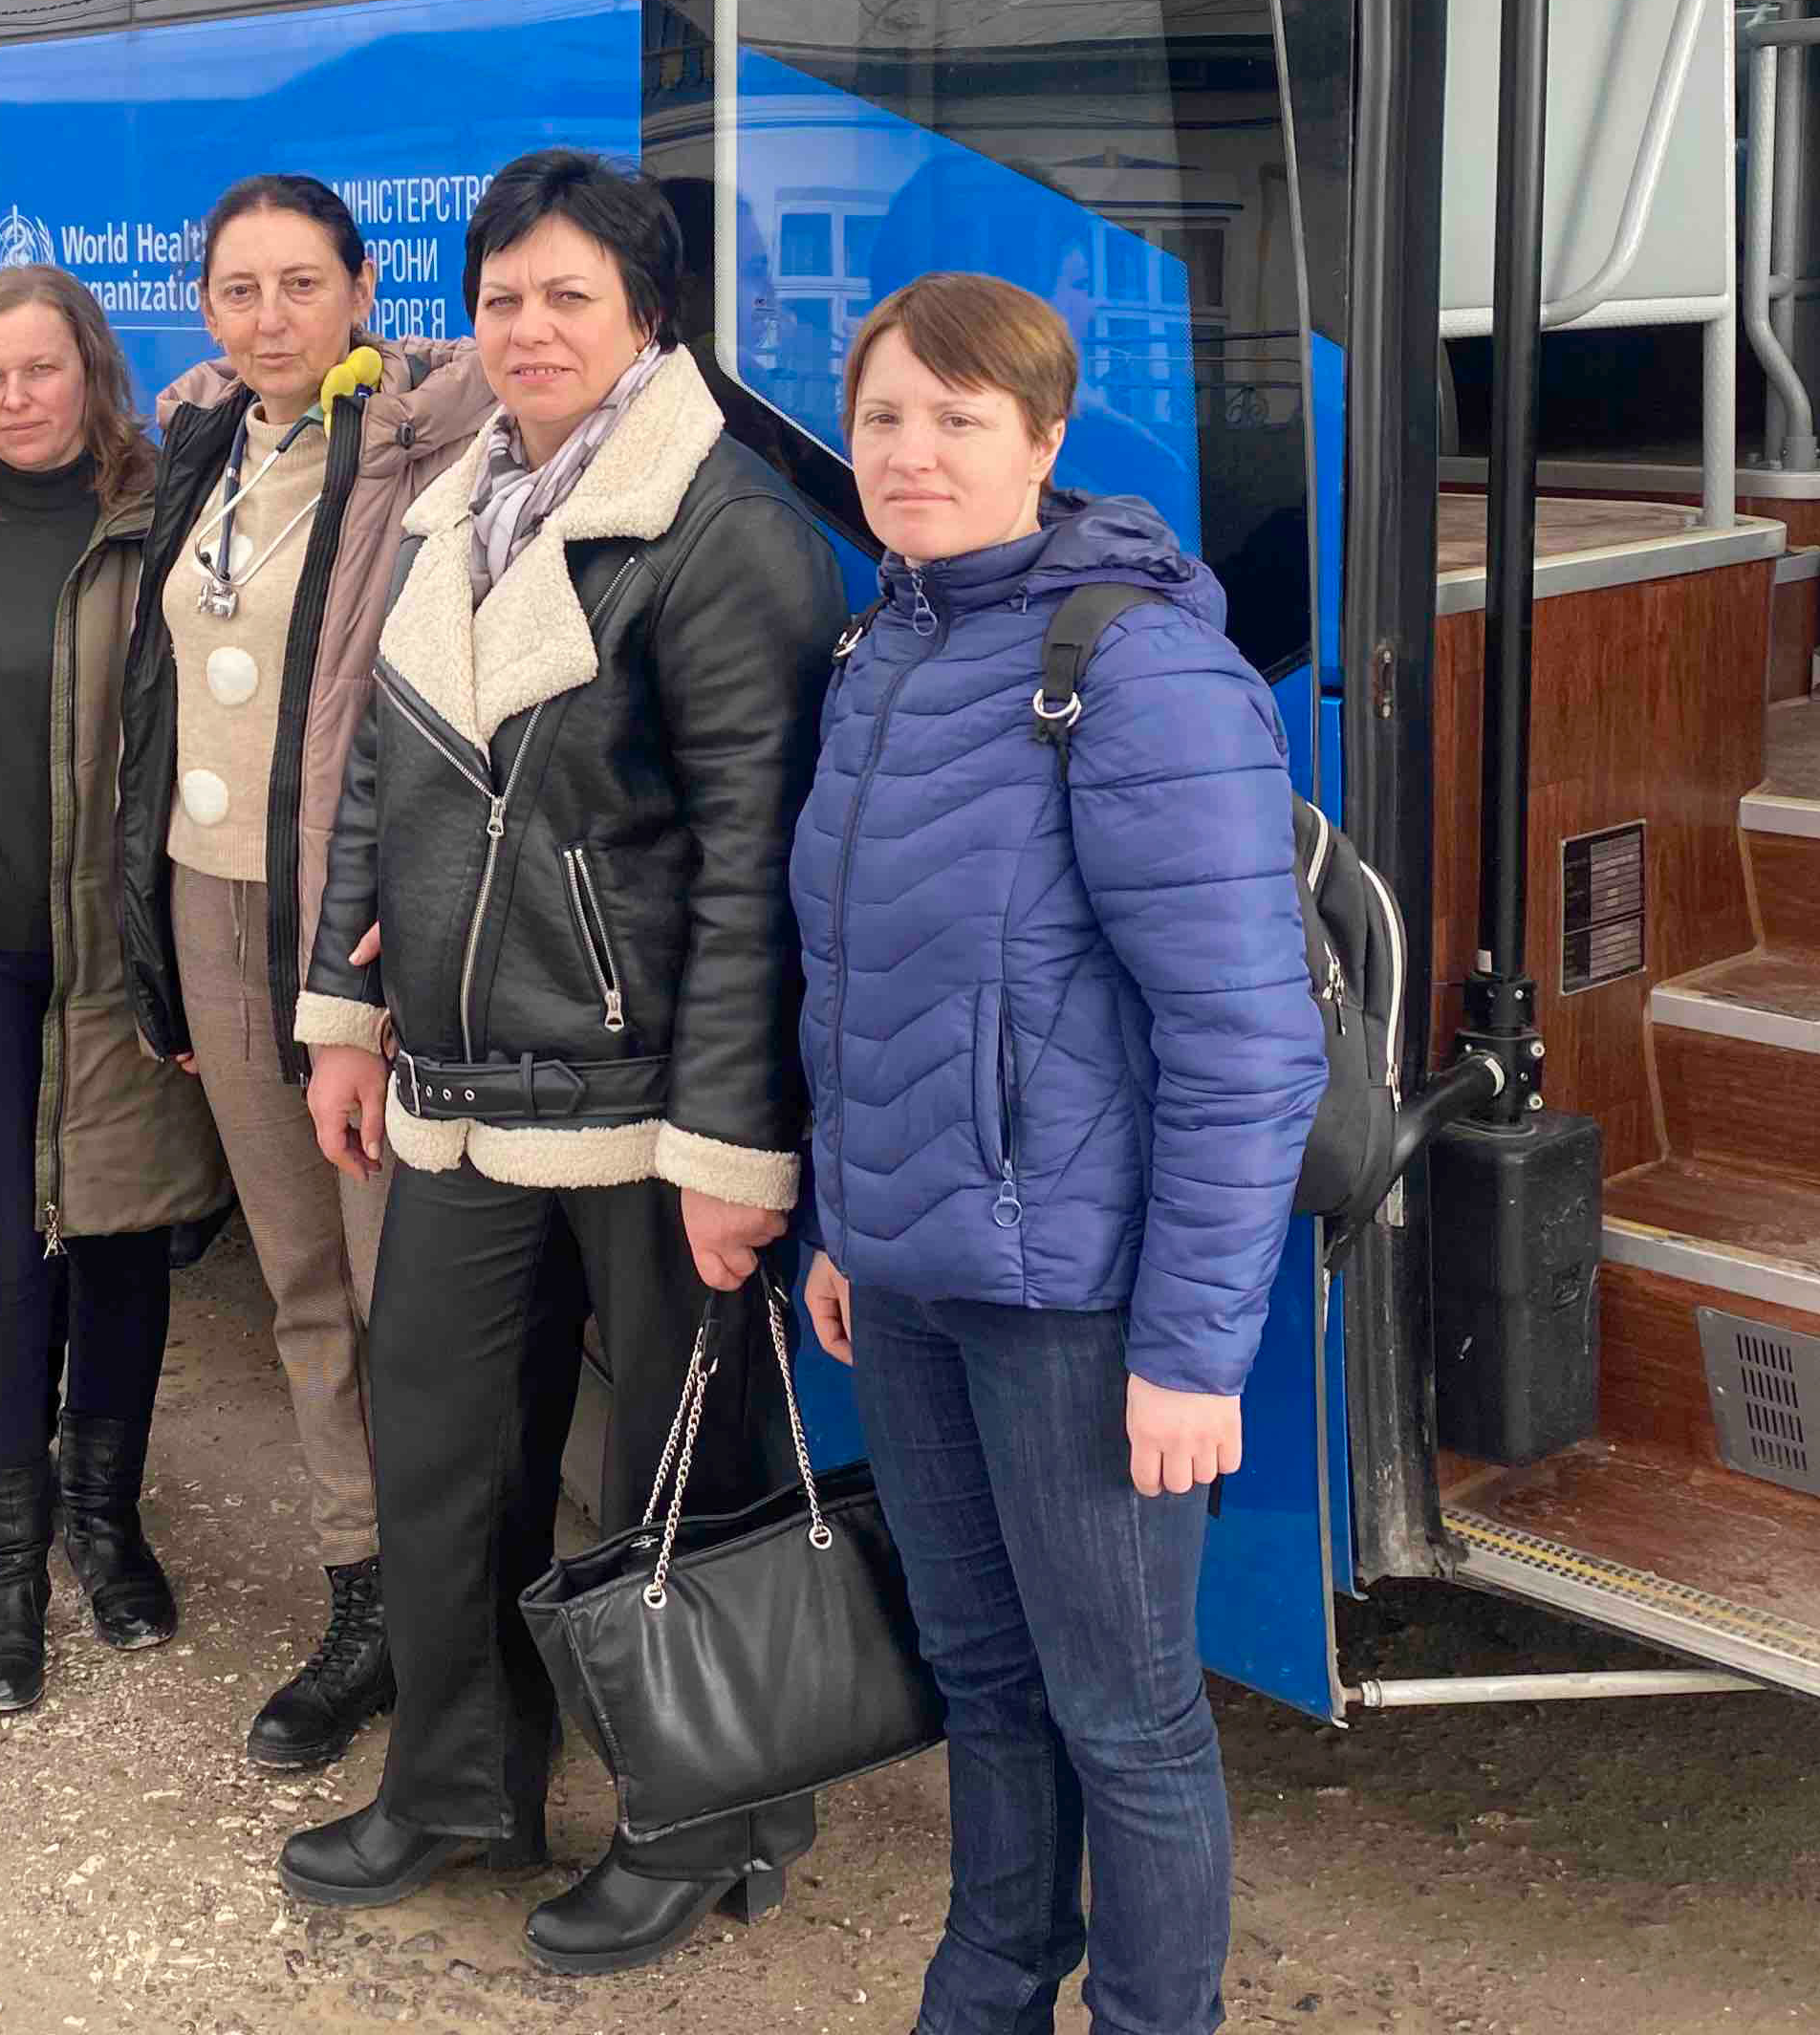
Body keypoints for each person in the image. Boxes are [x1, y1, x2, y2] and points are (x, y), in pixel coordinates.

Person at [277, 151, 844, 1979]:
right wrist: (344, 1019)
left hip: (652, 1104)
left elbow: (758, 859)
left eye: (567, 297)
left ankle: (710, 1813)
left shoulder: (725, 528)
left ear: (646, 317)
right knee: (443, 1450)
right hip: (454, 1081)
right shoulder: (461, 499)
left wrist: (733, 1146)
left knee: (683, 1484)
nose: (527, 327)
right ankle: (456, 1780)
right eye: (502, 294)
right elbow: (371, 776)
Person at [792, 273, 1327, 2035]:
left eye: (956, 416)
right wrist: (842, 1224)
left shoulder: (1132, 665)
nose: (910, 449)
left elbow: (1245, 1044)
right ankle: (987, 1991)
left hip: (1080, 1307)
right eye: (882, 414)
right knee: (985, 1679)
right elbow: (854, 979)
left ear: (1040, 436)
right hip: (917, 1277)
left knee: (1131, 1715)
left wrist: (1190, 1351)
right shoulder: (884, 648)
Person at [117, 175, 495, 1775]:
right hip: (212, 907)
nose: (267, 314)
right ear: (204, 306)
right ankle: (363, 1598)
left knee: (402, 1280)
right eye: (237, 288)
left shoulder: (415, 433)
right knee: (297, 1278)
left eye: (300, 283)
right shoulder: (205, 435)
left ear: (362, 289)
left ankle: (456, 1616)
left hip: (348, 915)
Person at [0, 265, 232, 1715]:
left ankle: (105, 1520)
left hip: (121, 947)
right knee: (2, 1255)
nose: (19, 399)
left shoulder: (169, 522)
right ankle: (6, 1570)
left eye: (43, 369)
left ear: (93, 372)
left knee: (124, 1244)